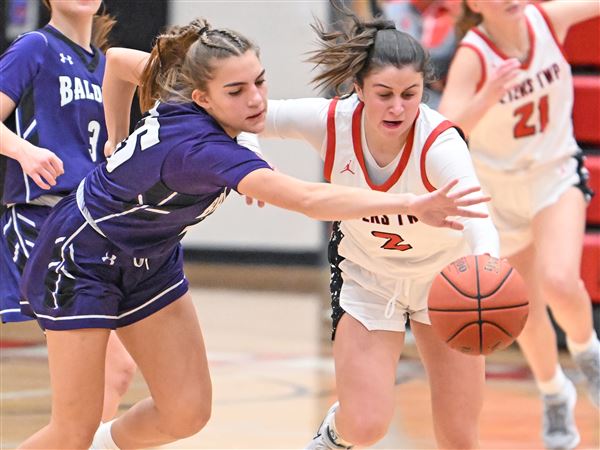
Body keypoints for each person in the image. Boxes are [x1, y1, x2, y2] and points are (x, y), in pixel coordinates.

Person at [16, 15, 492, 449]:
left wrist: (117, 136)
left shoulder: (183, 91)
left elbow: (118, 63)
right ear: (203, 97)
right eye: (237, 91)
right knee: (71, 430)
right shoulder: (202, 148)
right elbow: (309, 200)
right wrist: (410, 203)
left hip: (151, 258)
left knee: (185, 413)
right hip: (81, 256)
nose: (256, 99)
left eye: (259, 82)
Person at [256, 4, 501, 449]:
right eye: (383, 93)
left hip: (445, 284)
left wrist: (488, 265)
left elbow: (478, 216)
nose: (397, 106)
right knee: (365, 425)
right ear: (358, 89)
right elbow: (250, 115)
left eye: (410, 94)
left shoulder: (440, 142)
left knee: (460, 438)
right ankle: (331, 437)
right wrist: (248, 159)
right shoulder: (332, 121)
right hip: (370, 279)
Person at [439, 1, 600, 449]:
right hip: (496, 191)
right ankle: (554, 394)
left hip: (553, 174)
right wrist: (487, 96)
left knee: (561, 282)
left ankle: (589, 353)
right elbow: (445, 130)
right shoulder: (474, 53)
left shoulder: (547, 18)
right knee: (522, 310)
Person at [0, 0, 136, 422]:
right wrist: (24, 151)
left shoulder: (106, 64)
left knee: (114, 371)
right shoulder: (34, 47)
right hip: (42, 220)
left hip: (92, 225)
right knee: (104, 370)